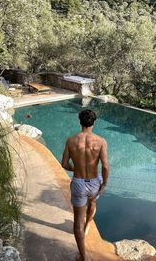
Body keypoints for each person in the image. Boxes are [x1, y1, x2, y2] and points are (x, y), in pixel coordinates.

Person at [61, 109, 109, 261]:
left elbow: (64, 164)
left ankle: (84, 257)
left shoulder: (71, 140)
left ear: (80, 121)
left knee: (77, 223)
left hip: (78, 183)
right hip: (95, 182)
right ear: (94, 123)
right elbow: (106, 166)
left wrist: (77, 168)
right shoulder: (101, 141)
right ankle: (88, 225)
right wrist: (104, 185)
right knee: (93, 202)